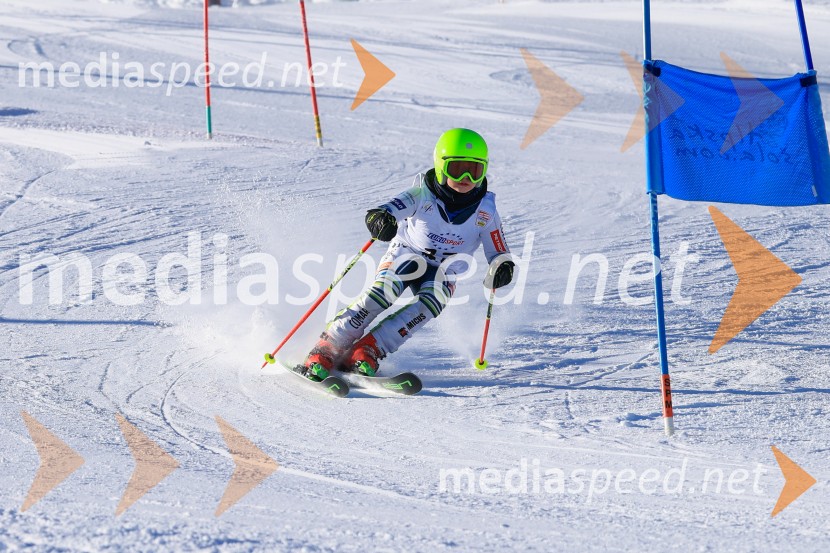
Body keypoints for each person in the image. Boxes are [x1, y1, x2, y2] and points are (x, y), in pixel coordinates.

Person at [300, 128, 515, 381]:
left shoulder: (485, 212)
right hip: (407, 255)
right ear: (440, 166)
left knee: (430, 304)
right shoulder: (422, 194)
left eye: (474, 170)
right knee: (383, 293)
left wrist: (502, 267)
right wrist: (381, 219)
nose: (466, 177)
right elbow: (384, 210)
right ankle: (327, 347)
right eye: (457, 169)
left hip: (445, 269)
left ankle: (368, 349)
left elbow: (499, 252)